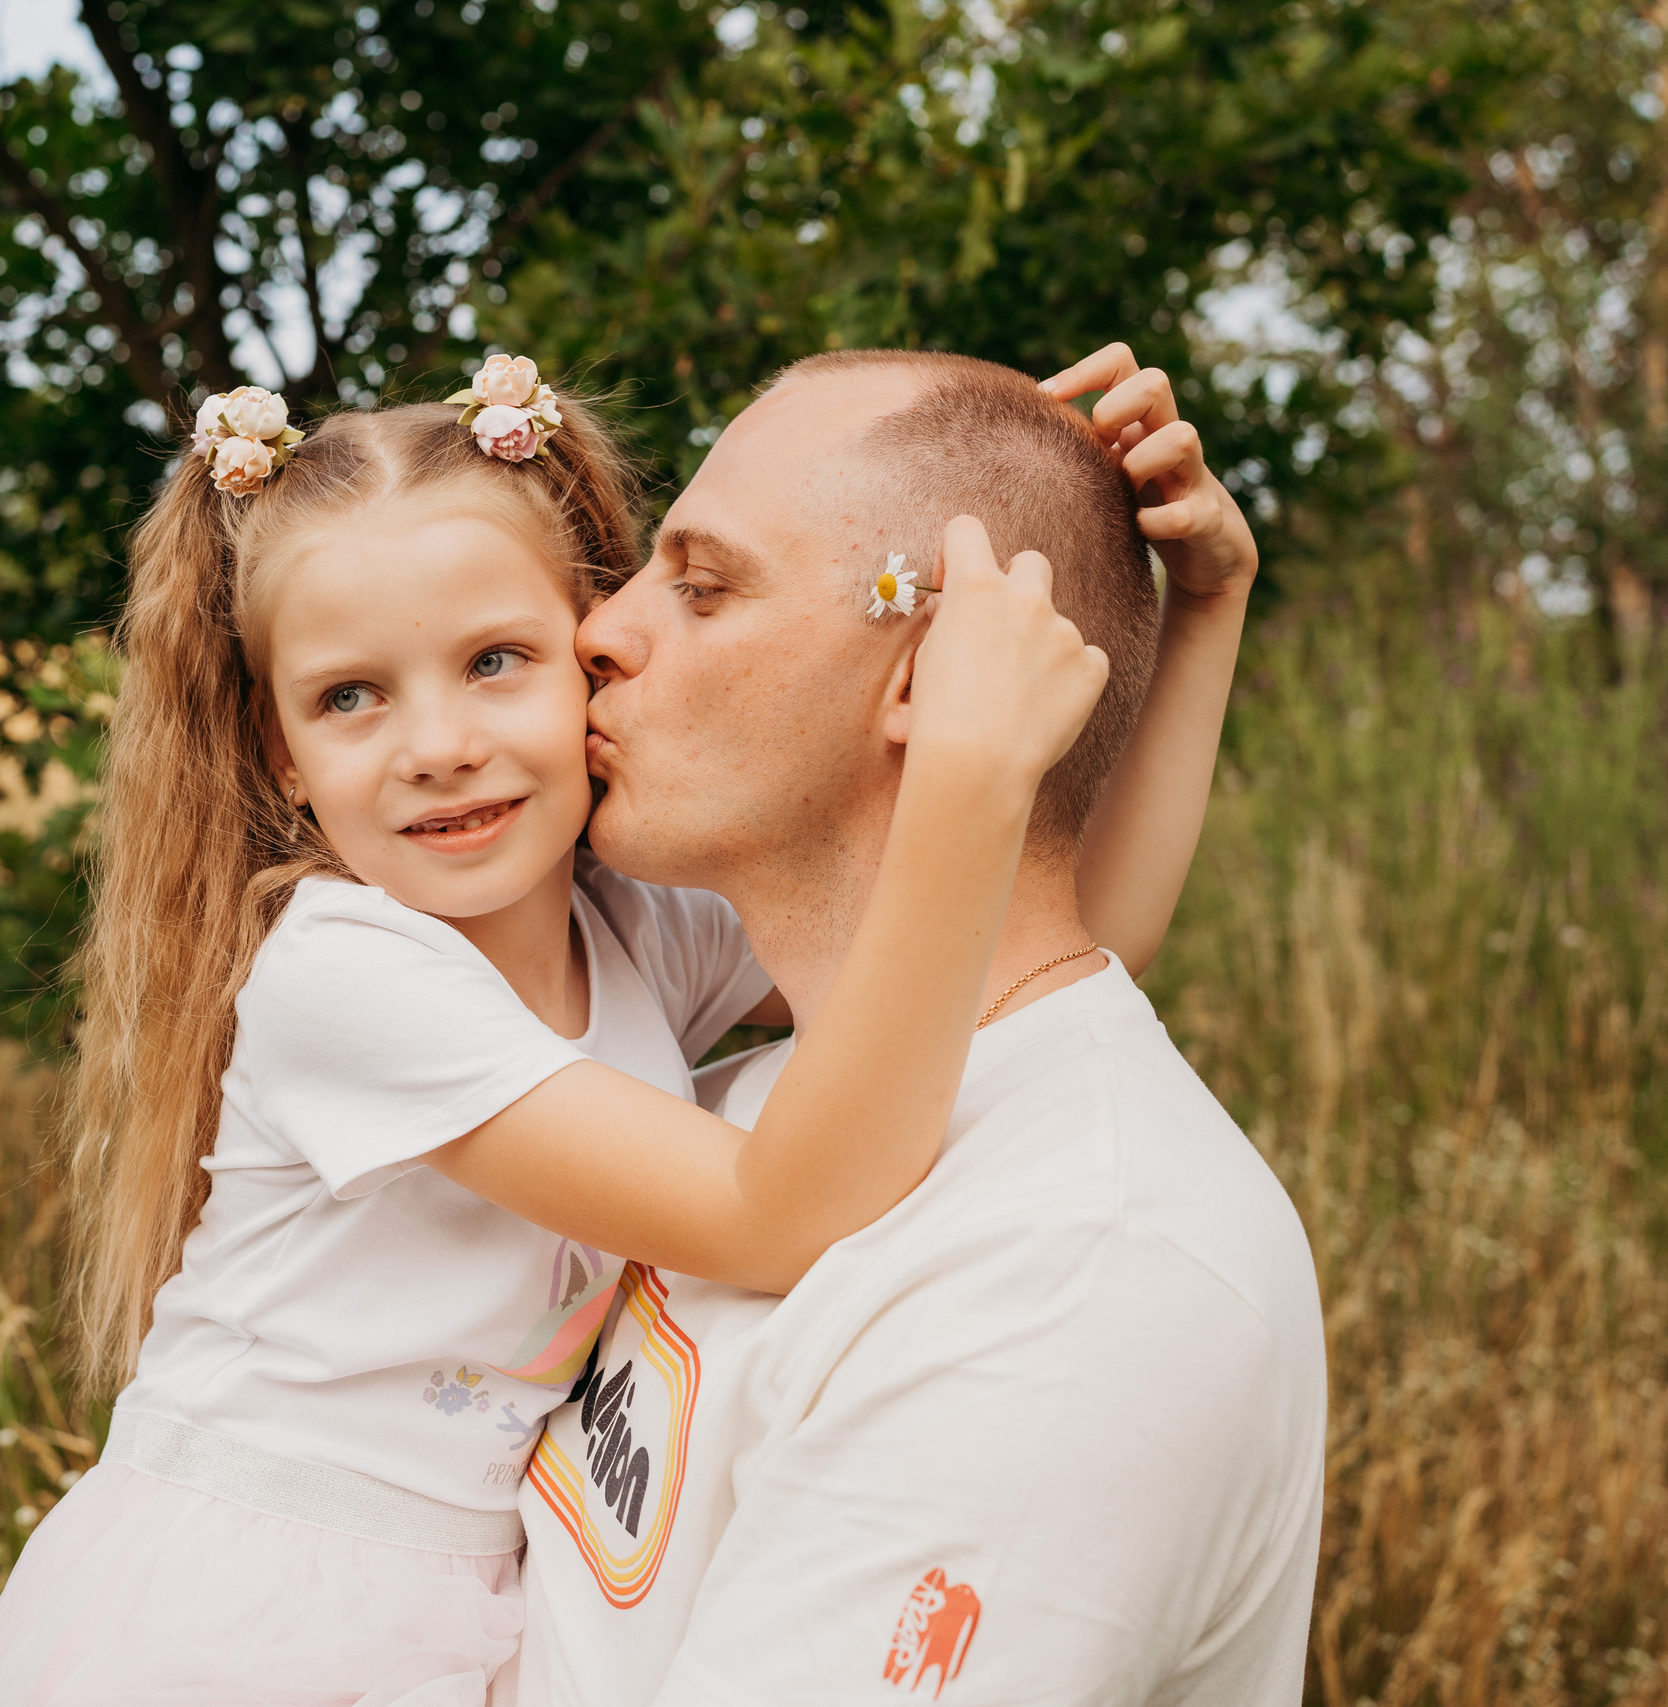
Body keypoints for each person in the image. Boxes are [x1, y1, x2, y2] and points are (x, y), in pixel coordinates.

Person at [0, 350, 1232, 1704]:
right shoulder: (343, 973)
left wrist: (1203, 606)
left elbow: (1054, 928)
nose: (436, 744)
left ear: (593, 663)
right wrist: (968, 775)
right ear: (283, 757)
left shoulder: (629, 928)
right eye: (349, 697)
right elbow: (772, 1212)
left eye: (497, 663)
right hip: (244, 1613)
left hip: (441, 1595)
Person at [502, 348, 1323, 1705]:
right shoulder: (780, 1085)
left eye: (702, 586)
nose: (597, 630)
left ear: (933, 679)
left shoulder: (1082, 1280)